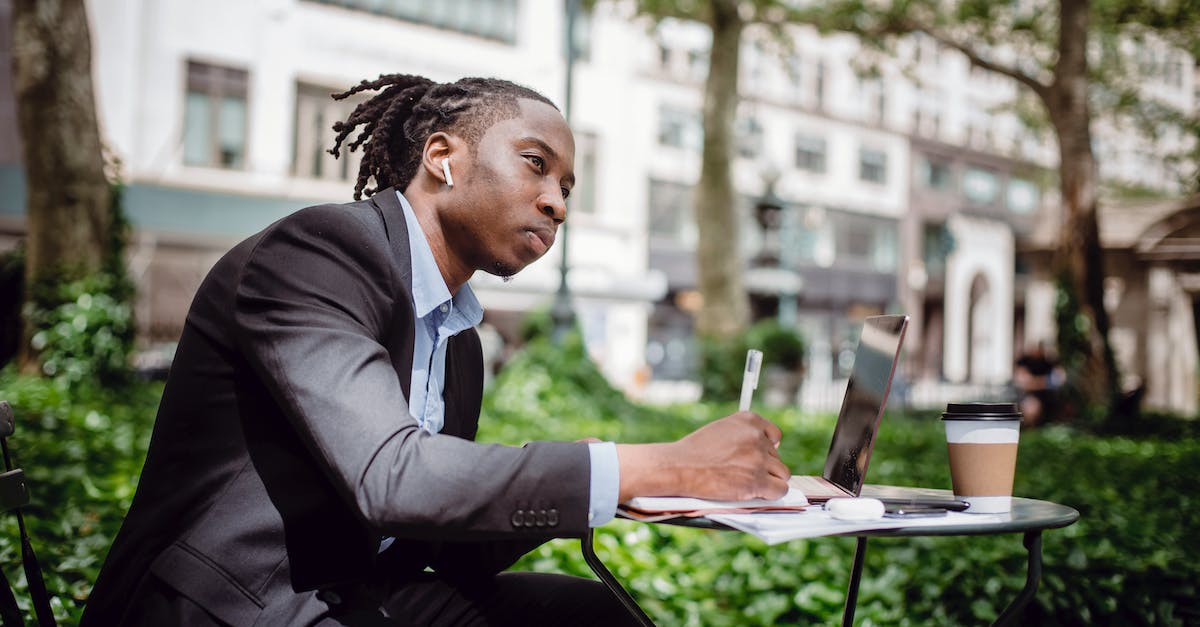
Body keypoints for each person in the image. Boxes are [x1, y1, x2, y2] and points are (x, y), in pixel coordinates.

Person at [80, 74, 790, 626]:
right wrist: (643, 466)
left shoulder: (459, 343)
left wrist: (645, 484)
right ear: (442, 158)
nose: (557, 204)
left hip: (357, 593)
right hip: (232, 602)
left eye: (567, 187)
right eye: (536, 165)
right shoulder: (318, 254)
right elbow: (395, 477)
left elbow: (433, 536)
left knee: (587, 614)